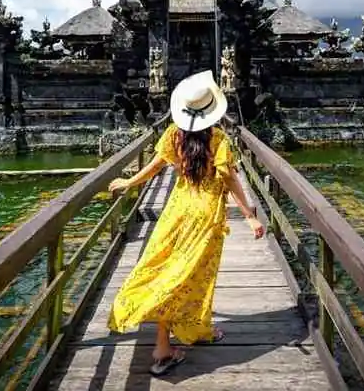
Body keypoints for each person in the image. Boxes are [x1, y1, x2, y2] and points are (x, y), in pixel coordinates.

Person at [106, 70, 265, 377]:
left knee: (172, 270)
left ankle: (198, 328)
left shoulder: (172, 134)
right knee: (191, 275)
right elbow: (228, 178)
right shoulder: (218, 138)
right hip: (205, 215)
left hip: (177, 211)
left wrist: (129, 182)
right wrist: (249, 216)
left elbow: (154, 168)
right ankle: (163, 347)